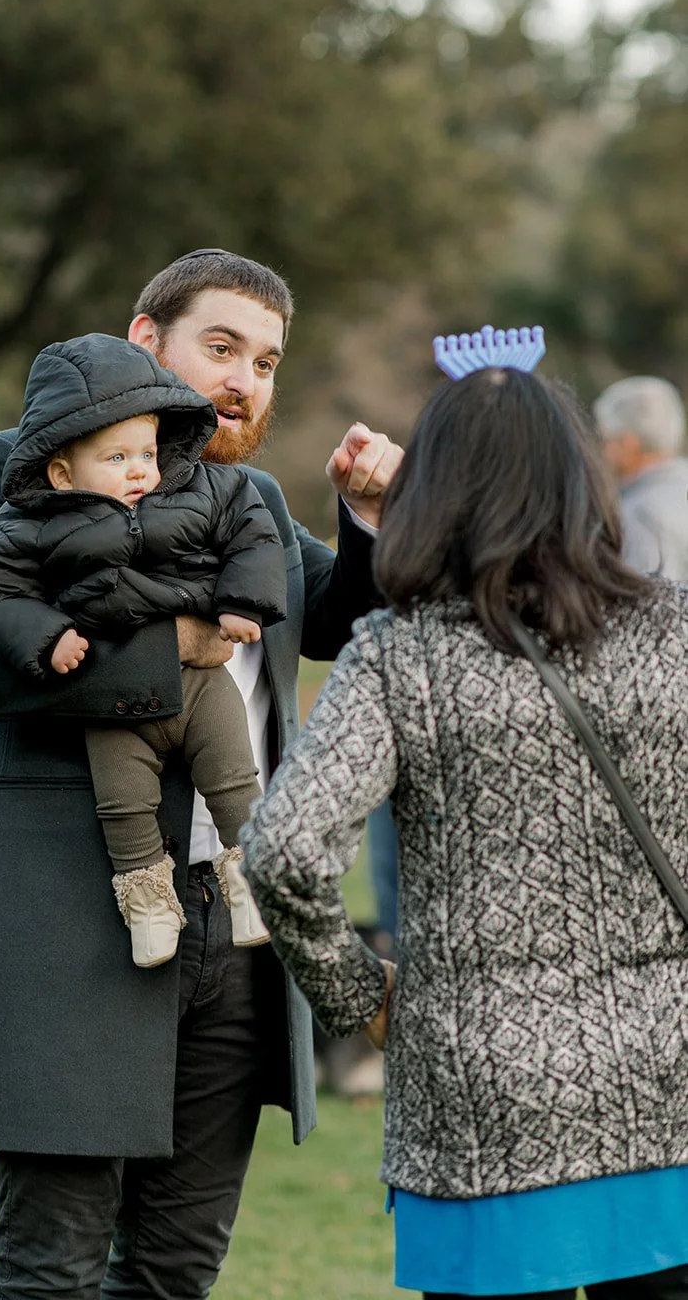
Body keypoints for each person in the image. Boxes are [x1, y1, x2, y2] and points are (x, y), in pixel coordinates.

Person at [0, 248, 402, 1300]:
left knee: (177, 1271)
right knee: (49, 1269)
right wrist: (177, 645)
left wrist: (364, 521)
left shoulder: (256, 498)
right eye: (219, 347)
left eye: (266, 361)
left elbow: (336, 622)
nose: (243, 380)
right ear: (146, 342)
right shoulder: (15, 466)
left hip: (237, 938)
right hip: (72, 925)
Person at [243, 364, 688, 1300]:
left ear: (432, 496)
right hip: (668, 1083)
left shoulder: (398, 659)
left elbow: (283, 848)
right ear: (583, 483)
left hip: (477, 1097)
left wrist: (361, 997)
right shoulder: (675, 635)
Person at [0, 333, 286, 967]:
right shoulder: (31, 521)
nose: (141, 470)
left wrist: (241, 604)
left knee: (234, 780)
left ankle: (253, 888)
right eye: (117, 457)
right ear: (61, 472)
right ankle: (149, 910)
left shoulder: (206, 490)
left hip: (203, 689)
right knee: (123, 806)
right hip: (113, 705)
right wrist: (46, 635)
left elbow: (255, 537)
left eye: (147, 451)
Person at [593, 374, 688, 578]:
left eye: (605, 439)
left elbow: (646, 602)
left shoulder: (641, 512)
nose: (601, 450)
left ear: (628, 444)